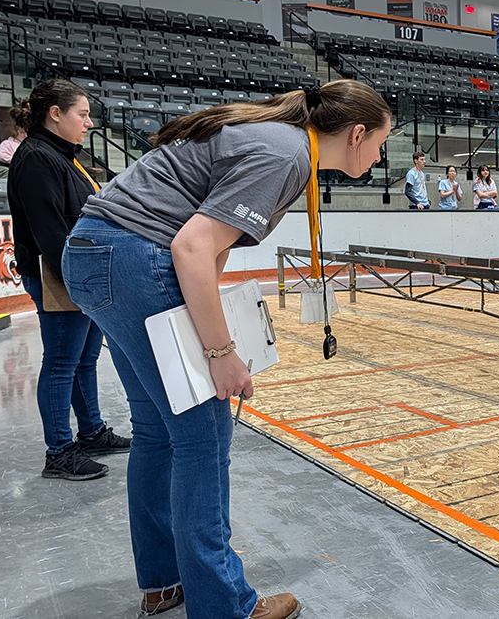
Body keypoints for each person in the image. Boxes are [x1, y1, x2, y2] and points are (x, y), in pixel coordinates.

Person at [63, 79, 391, 619]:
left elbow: (206, 250)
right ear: (356, 134)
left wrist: (212, 334)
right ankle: (224, 606)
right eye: (380, 143)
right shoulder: (287, 154)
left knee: (155, 431)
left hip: (95, 256)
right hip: (134, 260)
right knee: (203, 438)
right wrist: (219, 352)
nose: (380, 156)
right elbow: (191, 246)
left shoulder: (275, 139)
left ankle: (164, 580)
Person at [7, 80, 131, 482]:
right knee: (61, 364)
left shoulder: (63, 155)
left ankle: (91, 432)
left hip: (76, 274)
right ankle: (59, 452)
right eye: (82, 114)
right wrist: (81, 282)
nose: (90, 123)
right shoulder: (38, 158)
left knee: (83, 361)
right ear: (55, 113)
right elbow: (49, 232)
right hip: (59, 275)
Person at [0, 109, 28, 183]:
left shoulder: (27, 145)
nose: (25, 135)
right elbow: (1, 155)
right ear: (15, 133)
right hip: (7, 165)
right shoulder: (7, 143)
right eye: (22, 133)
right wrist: (13, 159)